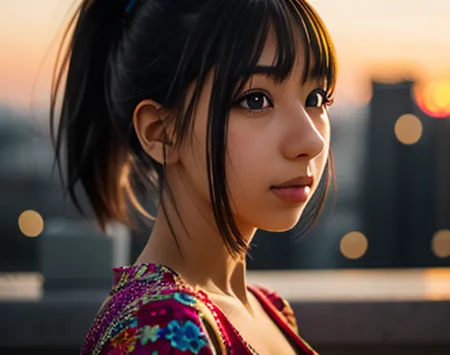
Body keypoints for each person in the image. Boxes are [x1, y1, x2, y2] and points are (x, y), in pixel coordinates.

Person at [50, 0, 337, 353]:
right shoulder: (159, 329)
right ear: (160, 131)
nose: (311, 140)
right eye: (255, 100)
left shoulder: (268, 308)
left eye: (316, 97)